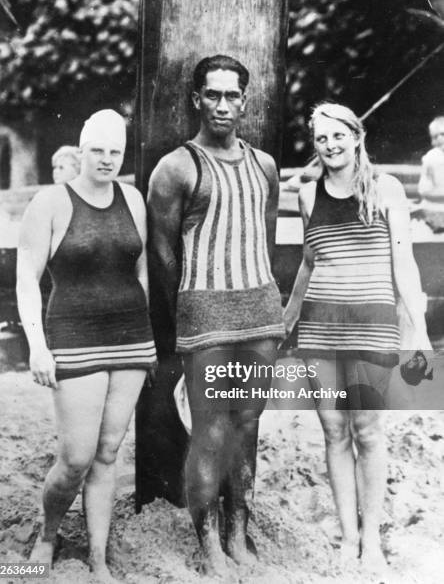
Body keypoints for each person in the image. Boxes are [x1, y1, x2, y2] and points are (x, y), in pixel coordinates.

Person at [147, 55, 285, 577]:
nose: (223, 105)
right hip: (204, 315)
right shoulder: (177, 166)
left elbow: (263, 237)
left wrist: (260, 294)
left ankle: (238, 529)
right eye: (213, 95)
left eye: (233, 96)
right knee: (209, 429)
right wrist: (191, 306)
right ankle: (207, 539)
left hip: (259, 314)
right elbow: (163, 255)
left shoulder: (265, 164)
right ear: (196, 99)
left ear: (245, 100)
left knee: (248, 424)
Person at [283, 103, 430, 574]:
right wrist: (286, 323)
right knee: (333, 431)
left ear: (356, 134)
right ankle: (348, 536)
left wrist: (419, 328)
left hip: (373, 324)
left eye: (338, 135)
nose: (330, 145)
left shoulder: (384, 188)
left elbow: (403, 262)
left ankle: (371, 540)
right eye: (321, 139)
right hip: (320, 327)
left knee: (368, 430)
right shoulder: (309, 195)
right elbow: (309, 263)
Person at [16, 109, 156, 582]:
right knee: (76, 456)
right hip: (74, 338)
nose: (107, 159)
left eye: (116, 151)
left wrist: (146, 331)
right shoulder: (50, 201)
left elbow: (141, 270)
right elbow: (26, 281)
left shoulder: (133, 199)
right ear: (81, 149)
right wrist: (37, 345)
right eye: (98, 150)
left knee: (109, 451)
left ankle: (97, 557)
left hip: (131, 337)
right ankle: (48, 533)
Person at [418, 116, 444, 200]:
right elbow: (423, 190)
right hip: (437, 205)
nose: (433, 143)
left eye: (435, 137)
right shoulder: (431, 157)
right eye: (433, 137)